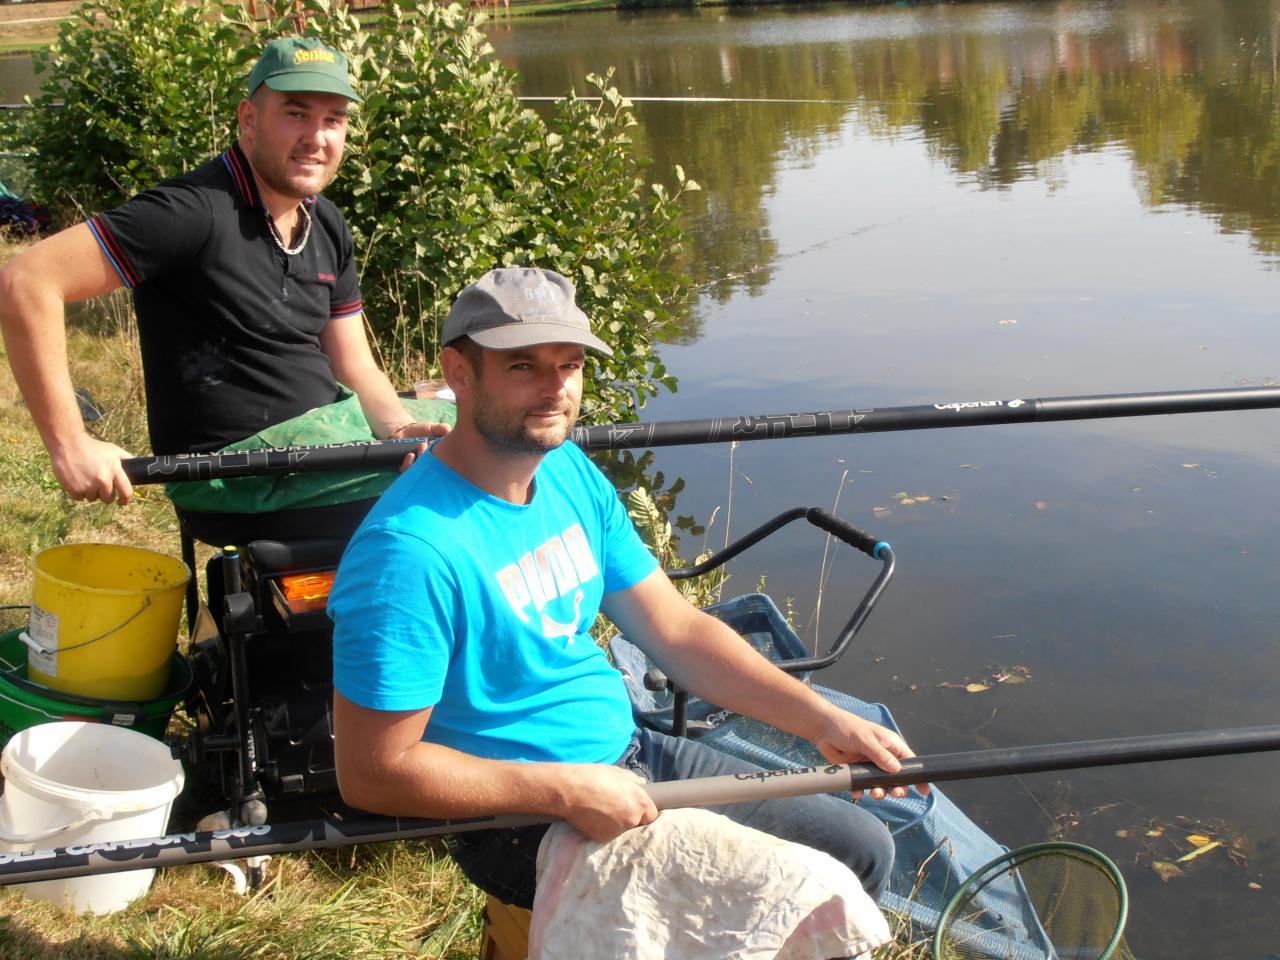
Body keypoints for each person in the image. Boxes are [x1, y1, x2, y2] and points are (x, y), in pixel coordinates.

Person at [328, 266, 925, 912]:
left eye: (571, 364)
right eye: (523, 367)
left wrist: (825, 722)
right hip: (520, 821)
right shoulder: (408, 553)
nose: (556, 389)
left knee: (862, 849)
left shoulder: (566, 471)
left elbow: (676, 631)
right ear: (459, 372)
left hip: (630, 751)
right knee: (783, 898)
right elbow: (371, 773)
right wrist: (563, 791)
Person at [0, 36, 448, 544]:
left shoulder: (326, 223)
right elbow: (28, 280)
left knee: (499, 440)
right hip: (234, 477)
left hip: (330, 443)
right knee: (451, 495)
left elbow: (355, 364)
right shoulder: (192, 212)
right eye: (296, 114)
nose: (317, 137)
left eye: (333, 119)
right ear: (249, 120)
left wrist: (398, 430)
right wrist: (70, 443)